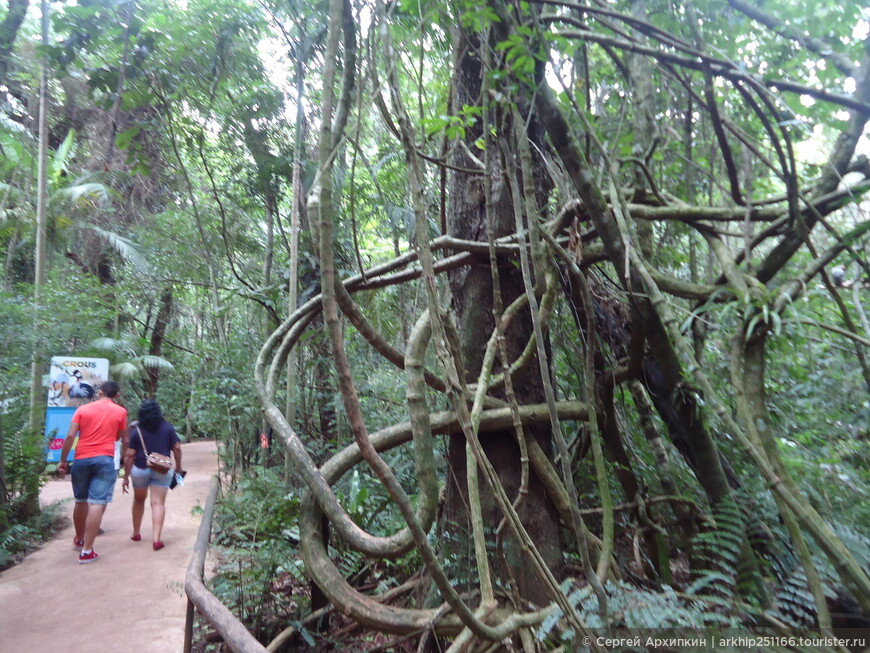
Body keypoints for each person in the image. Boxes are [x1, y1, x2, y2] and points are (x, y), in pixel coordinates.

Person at [57, 380, 129, 564]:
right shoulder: (120, 412)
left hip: (81, 459)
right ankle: (87, 551)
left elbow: (71, 436)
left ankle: (79, 539)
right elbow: (124, 438)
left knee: (80, 501)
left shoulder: (83, 410)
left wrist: (63, 460)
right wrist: (123, 460)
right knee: (97, 502)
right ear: (116, 395)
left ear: (100, 392)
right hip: (104, 460)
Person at [122, 399, 184, 551]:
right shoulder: (167, 428)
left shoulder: (137, 430)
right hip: (162, 470)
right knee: (158, 503)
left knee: (138, 500)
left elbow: (129, 455)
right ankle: (156, 539)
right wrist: (179, 467)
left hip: (140, 469)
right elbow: (176, 448)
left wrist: (125, 476)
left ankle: (136, 533)